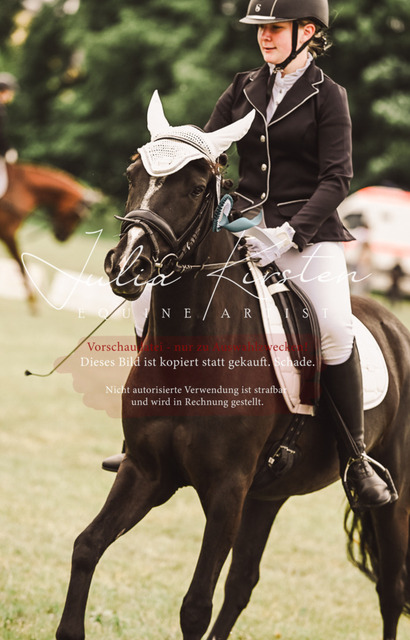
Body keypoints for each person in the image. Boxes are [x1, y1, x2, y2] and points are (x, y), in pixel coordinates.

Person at [203, 0, 396, 510]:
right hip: (241, 228)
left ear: (307, 31)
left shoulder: (329, 96)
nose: (264, 37)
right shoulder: (243, 86)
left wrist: (289, 234)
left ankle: (356, 458)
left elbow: (337, 179)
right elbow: (210, 151)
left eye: (275, 28)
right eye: (260, 29)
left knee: (332, 327)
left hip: (306, 235)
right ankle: (144, 438)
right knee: (167, 294)